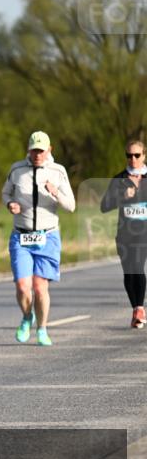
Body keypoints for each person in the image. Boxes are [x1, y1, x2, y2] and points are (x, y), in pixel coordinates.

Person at [1, 130, 76, 346]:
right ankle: (27, 318)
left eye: (41, 151)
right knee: (23, 287)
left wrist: (55, 193)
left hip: (47, 237)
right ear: (28, 150)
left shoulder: (58, 171)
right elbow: (5, 193)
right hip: (21, 237)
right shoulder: (17, 170)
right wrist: (10, 204)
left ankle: (42, 328)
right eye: (34, 150)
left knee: (40, 288)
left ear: (49, 150)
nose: (37, 155)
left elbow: (71, 206)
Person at [99, 140, 147, 329]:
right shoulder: (119, 179)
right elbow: (104, 206)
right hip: (125, 233)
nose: (132, 159)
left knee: (137, 266)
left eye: (136, 155)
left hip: (144, 233)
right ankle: (136, 308)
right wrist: (122, 197)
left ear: (144, 155)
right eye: (129, 155)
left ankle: (140, 308)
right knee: (129, 271)